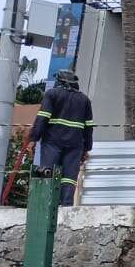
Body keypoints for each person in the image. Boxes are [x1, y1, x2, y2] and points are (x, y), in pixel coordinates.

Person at [29, 68, 94, 206]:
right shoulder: (85, 100)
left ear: (59, 81)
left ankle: (44, 206)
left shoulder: (52, 94)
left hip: (53, 141)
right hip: (75, 145)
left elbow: (42, 118)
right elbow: (89, 127)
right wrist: (87, 148)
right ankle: (65, 208)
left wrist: (33, 139)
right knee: (69, 178)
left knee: (47, 173)